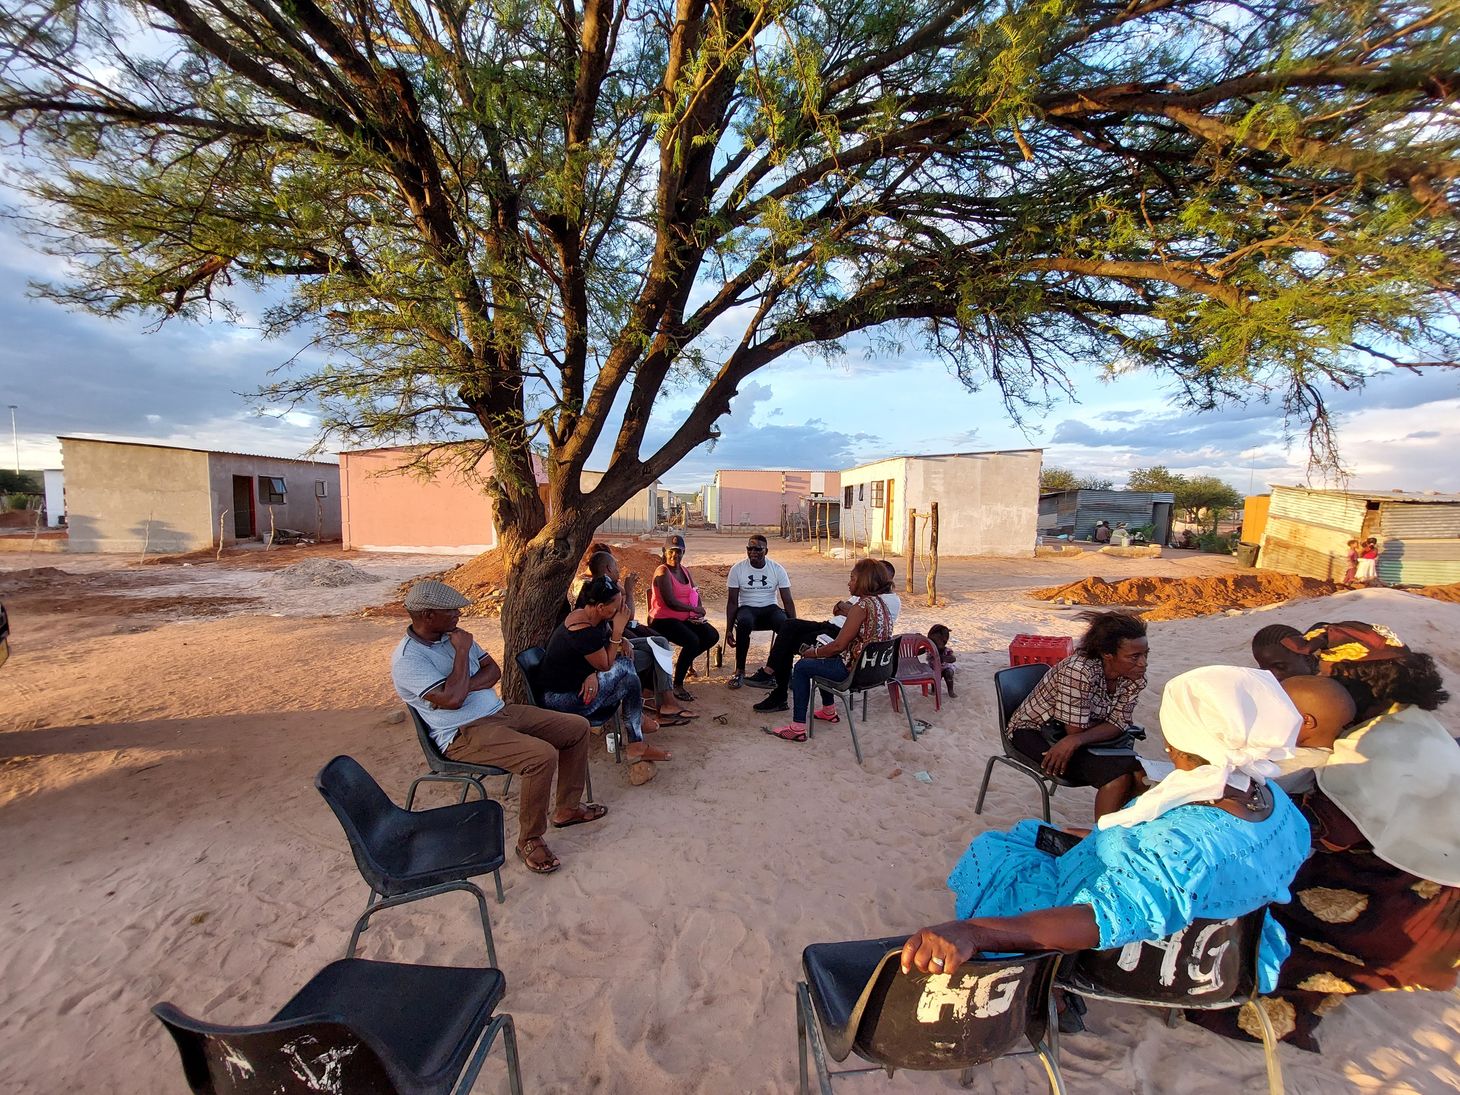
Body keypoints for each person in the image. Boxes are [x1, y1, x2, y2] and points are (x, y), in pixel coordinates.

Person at [901, 667, 1311, 1034]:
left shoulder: (1185, 845)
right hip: (1232, 945)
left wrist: (975, 932)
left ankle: (1040, 988)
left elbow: (1101, 919)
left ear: (1182, 740)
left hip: (1146, 952)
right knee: (1034, 832)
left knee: (995, 854)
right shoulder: (1271, 801)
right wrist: (1103, 838)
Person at [1192, 622, 1460, 1051]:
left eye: (1320, 672)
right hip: (1443, 880)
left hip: (1405, 902)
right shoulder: (1407, 720)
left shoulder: (1370, 750)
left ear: (1350, 678)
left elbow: (1323, 834)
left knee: (1258, 902)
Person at [391, 579, 604, 876]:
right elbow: (452, 701)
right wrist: (463, 654)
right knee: (540, 756)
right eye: (451, 610)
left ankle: (567, 808)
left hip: (499, 712)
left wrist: (464, 687)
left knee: (577, 727)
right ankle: (529, 839)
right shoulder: (409, 659)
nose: (459, 615)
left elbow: (493, 670)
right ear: (428, 615)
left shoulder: (453, 635)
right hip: (462, 732)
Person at [1003, 610, 1148, 820]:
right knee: (1118, 778)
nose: (1143, 662)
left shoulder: (1134, 676)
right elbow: (1077, 728)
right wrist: (1078, 736)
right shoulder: (1079, 670)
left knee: (1141, 775)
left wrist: (1076, 740)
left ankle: (1123, 834)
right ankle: (1103, 843)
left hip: (1075, 735)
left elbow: (1118, 723)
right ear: (1108, 655)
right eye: (1134, 656)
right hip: (1035, 731)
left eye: (1145, 654)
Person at [540, 574, 671, 766]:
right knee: (625, 665)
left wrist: (622, 640)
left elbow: (604, 644)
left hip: (580, 688)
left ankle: (636, 744)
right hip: (563, 700)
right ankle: (637, 720)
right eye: (616, 607)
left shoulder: (595, 617)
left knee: (631, 681)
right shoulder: (581, 629)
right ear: (601, 607)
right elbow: (606, 664)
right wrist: (619, 632)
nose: (621, 610)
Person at [764, 558, 893, 742]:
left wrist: (812, 653)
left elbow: (838, 646)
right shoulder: (882, 605)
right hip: (874, 671)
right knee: (821, 658)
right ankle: (828, 711)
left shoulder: (861, 607)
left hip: (853, 673)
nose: (849, 583)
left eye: (853, 578)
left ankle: (798, 727)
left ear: (864, 581)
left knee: (802, 666)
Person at [578, 547, 695, 723]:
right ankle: (659, 701)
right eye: (616, 566)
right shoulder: (596, 594)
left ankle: (665, 702)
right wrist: (628, 594)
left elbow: (612, 626)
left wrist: (622, 638)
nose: (619, 569)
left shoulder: (608, 588)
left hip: (614, 640)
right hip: (604, 657)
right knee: (654, 651)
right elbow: (622, 621)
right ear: (608, 569)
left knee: (660, 642)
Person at [647, 534, 719, 700]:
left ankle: (684, 663)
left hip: (684, 618)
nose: (675, 555)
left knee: (711, 635)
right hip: (662, 620)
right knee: (692, 641)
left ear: (684, 552)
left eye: (679, 551)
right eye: (672, 551)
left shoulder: (684, 570)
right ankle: (677, 684)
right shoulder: (663, 571)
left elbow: (694, 591)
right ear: (664, 551)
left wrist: (697, 611)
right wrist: (693, 608)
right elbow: (670, 602)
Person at [725, 534, 796, 689]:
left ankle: (785, 672)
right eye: (750, 548)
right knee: (744, 622)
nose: (753, 552)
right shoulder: (737, 569)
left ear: (766, 551)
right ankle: (740, 671)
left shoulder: (777, 569)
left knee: (785, 626)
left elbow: (788, 600)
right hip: (747, 608)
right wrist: (729, 629)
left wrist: (793, 626)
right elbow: (732, 602)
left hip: (770, 607)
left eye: (758, 549)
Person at [1251, 623, 1318, 682]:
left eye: (1280, 667)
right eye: (1265, 671)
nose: (1274, 677)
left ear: (1308, 659)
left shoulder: (1325, 688)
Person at [927, 623, 957, 698]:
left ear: (944, 641)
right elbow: (916, 652)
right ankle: (934, 690)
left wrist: (943, 658)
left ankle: (950, 691)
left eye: (936, 641)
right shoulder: (929, 649)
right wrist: (920, 640)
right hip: (934, 669)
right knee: (933, 676)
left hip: (945, 668)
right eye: (931, 641)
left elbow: (953, 659)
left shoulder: (946, 650)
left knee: (948, 674)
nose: (933, 644)